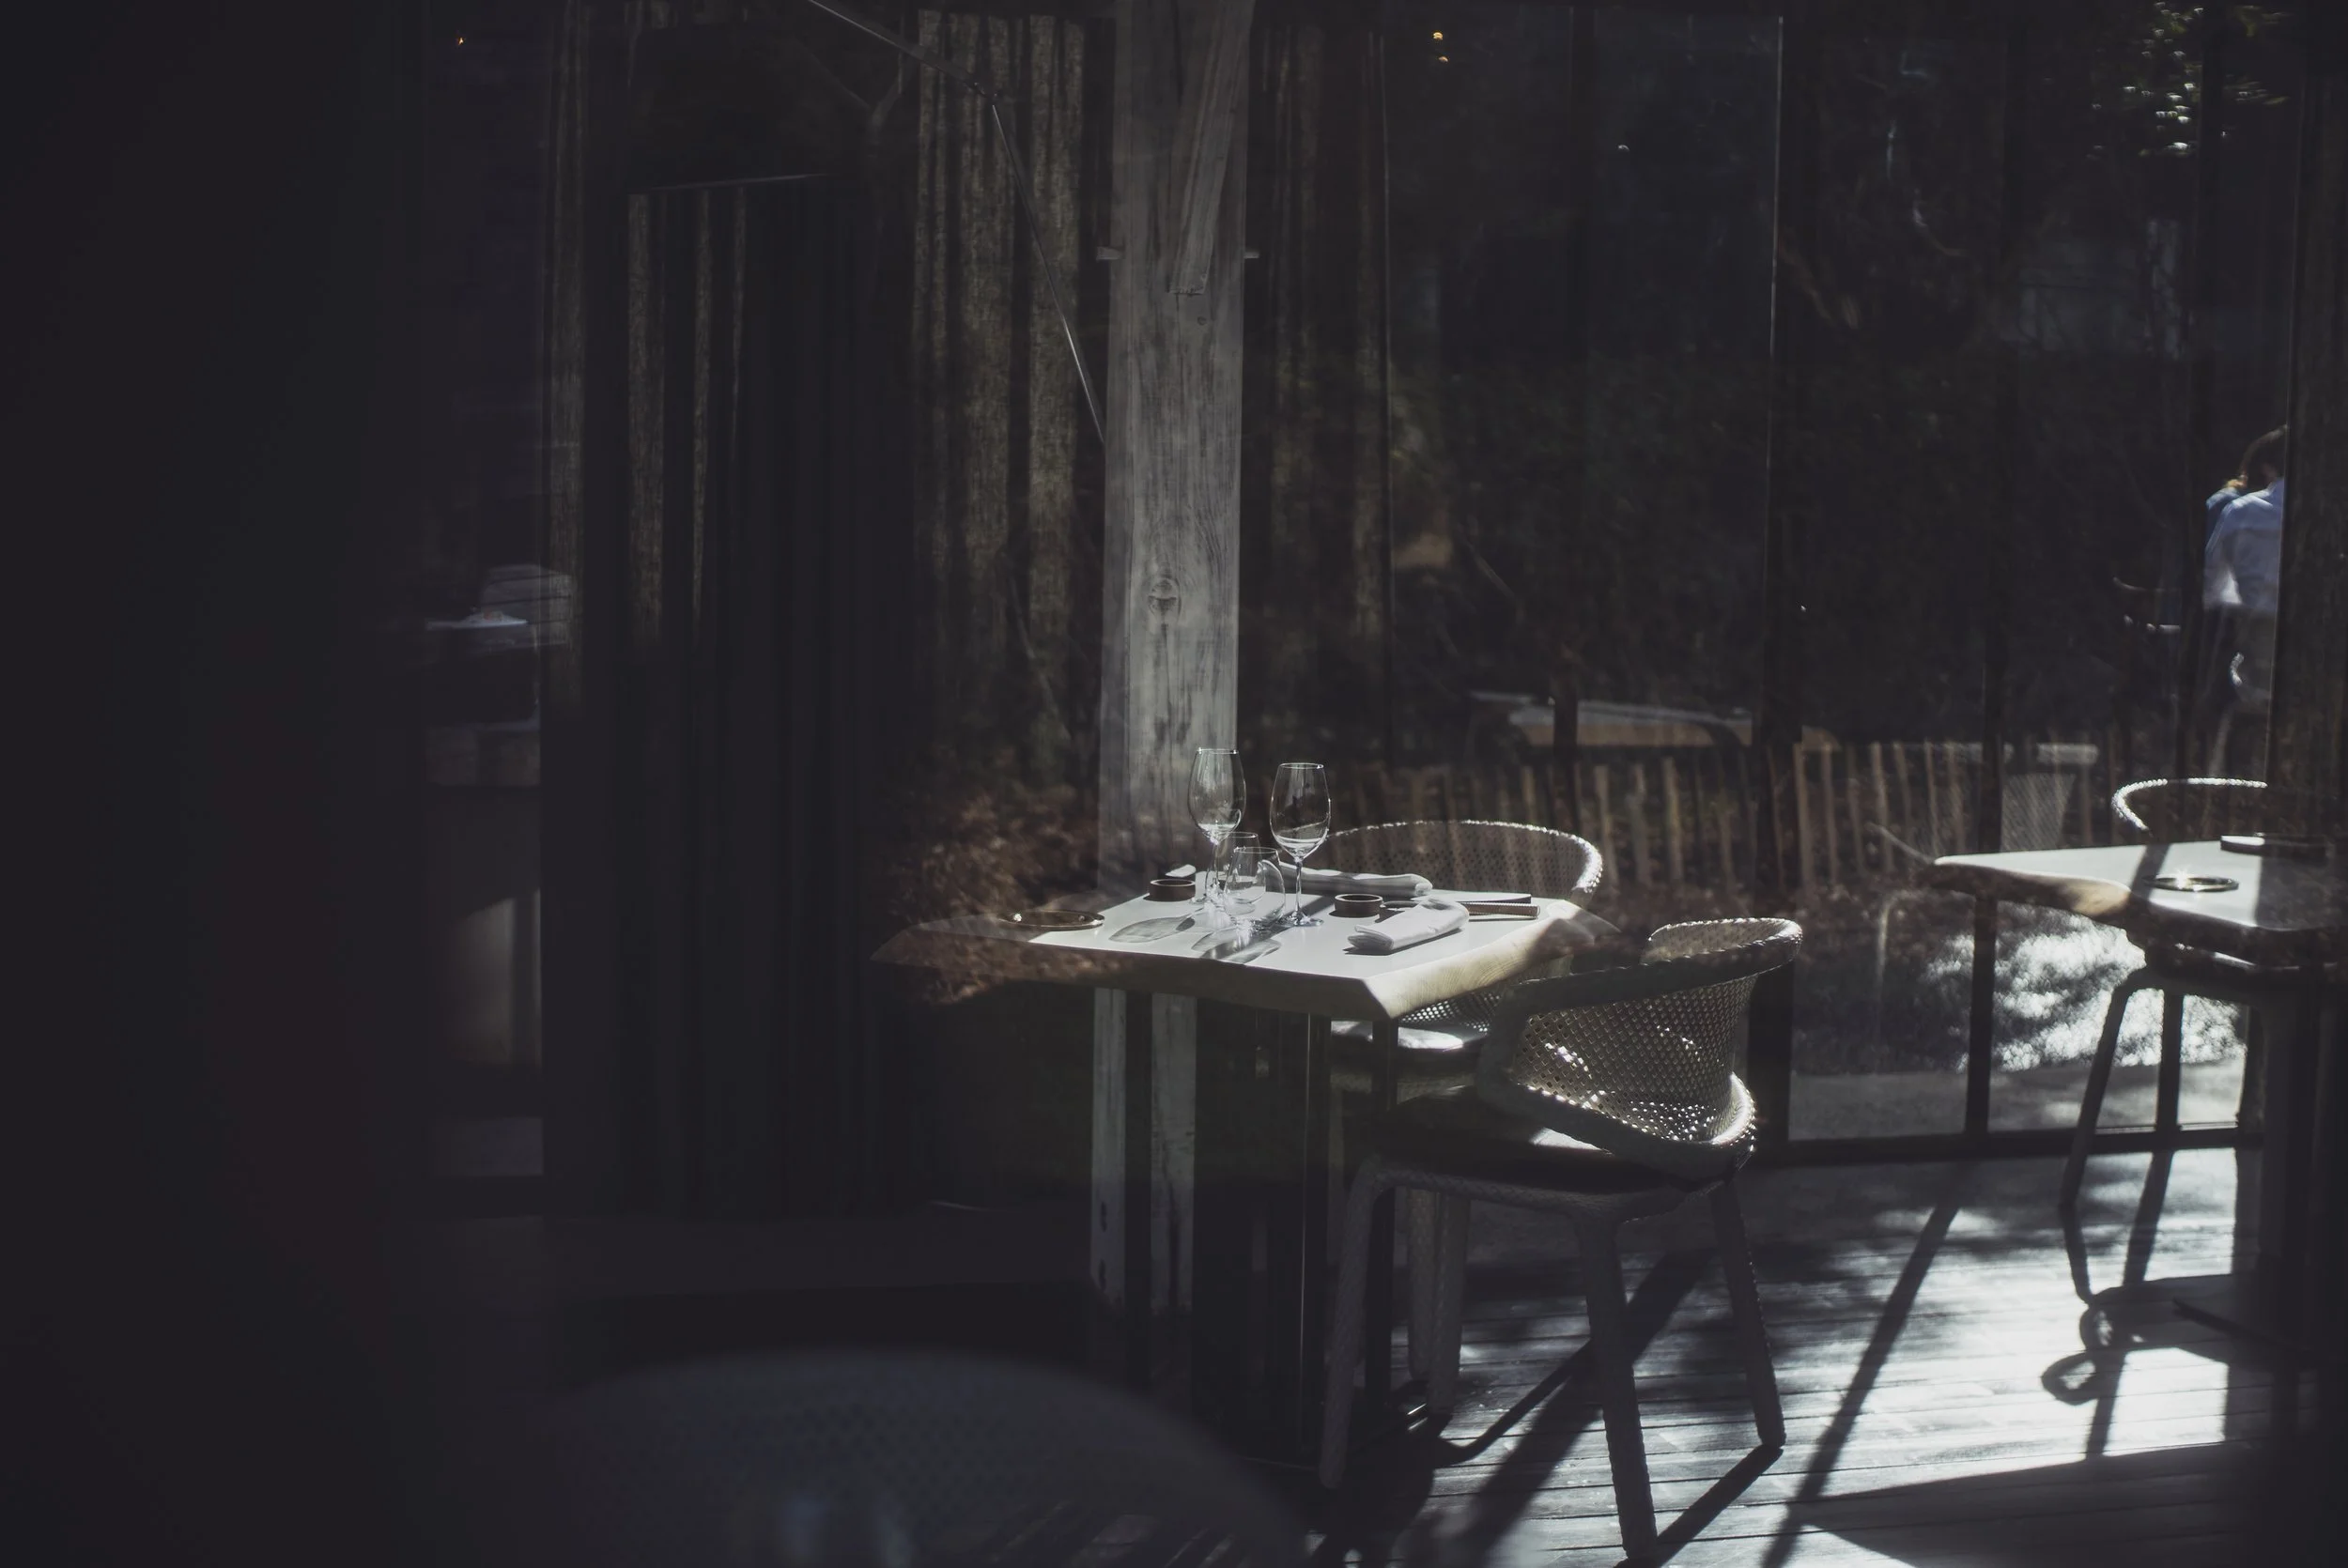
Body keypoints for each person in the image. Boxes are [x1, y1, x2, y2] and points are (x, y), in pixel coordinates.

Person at [2199, 426, 2287, 773]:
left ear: (2268, 468)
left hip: (2257, 672)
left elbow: (2212, 588)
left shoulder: (2240, 512)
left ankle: (2220, 776)